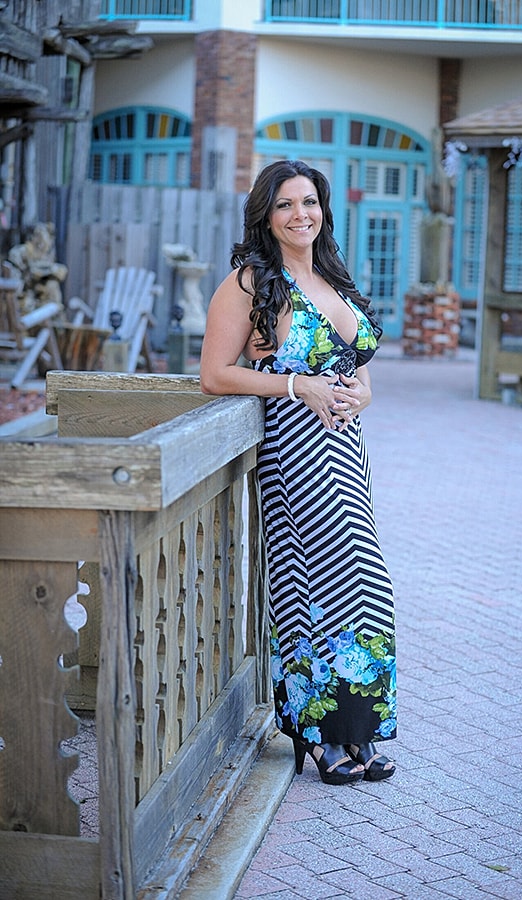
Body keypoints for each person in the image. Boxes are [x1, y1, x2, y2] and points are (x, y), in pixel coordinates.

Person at [200, 159, 397, 785]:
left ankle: (358, 735)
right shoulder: (251, 282)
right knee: (320, 589)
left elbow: (357, 370)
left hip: (347, 454)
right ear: (266, 214)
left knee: (364, 589)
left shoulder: (332, 276)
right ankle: (319, 738)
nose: (300, 215)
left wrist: (361, 393)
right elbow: (214, 373)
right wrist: (293, 385)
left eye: (309, 202)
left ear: (323, 209)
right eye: (285, 205)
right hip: (295, 453)